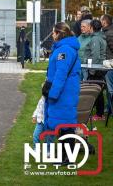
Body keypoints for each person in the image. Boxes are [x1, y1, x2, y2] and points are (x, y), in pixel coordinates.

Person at [44, 22, 80, 165]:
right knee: (65, 123)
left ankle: (65, 157)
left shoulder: (64, 51)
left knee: (65, 124)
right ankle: (64, 156)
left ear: (59, 33)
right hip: (66, 91)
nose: (52, 34)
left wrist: (53, 93)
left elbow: (60, 74)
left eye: (54, 32)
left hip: (63, 93)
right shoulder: (66, 48)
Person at [85, 19, 106, 120]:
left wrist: (91, 70)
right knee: (98, 91)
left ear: (92, 27)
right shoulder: (99, 37)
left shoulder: (96, 39)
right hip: (98, 68)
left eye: (89, 26)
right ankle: (99, 113)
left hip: (96, 69)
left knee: (96, 91)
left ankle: (99, 114)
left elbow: (96, 55)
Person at [101, 14, 113, 116]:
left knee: (110, 89)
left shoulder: (109, 34)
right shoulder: (107, 32)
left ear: (104, 22)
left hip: (110, 66)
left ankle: (110, 110)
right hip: (109, 64)